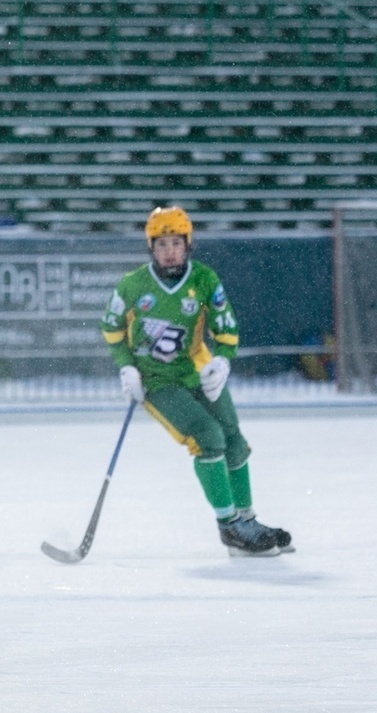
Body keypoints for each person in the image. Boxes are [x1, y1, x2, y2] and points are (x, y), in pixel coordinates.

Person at [99, 206, 294, 557]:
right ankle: (230, 527)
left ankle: (246, 520)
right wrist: (126, 367)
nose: (169, 250)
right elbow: (111, 328)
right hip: (157, 382)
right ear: (150, 248)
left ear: (188, 244)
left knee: (234, 440)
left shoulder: (204, 279)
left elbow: (227, 327)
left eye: (176, 242)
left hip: (199, 373)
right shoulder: (132, 286)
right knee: (209, 438)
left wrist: (221, 361)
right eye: (161, 244)